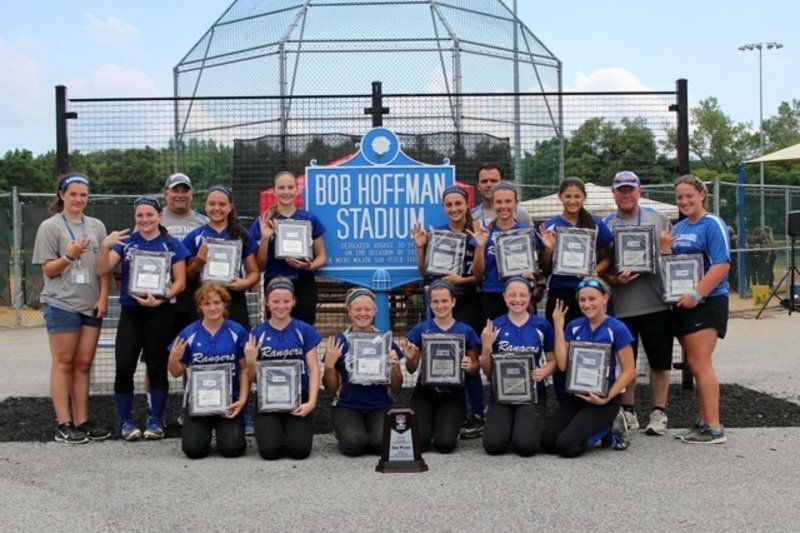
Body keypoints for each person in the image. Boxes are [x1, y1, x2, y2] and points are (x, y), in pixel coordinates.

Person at [96, 196, 189, 441]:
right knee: (124, 366)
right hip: (131, 312)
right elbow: (102, 269)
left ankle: (156, 419)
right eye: (140, 216)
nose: (145, 220)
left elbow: (181, 281)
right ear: (135, 218)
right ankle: (125, 421)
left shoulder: (172, 244)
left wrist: (164, 297)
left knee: (157, 367)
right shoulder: (126, 243)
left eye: (150, 215)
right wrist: (105, 246)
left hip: (160, 311)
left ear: (159, 216)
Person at [32, 173, 111, 443]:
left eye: (83, 195)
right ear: (62, 195)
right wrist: (69, 256)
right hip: (61, 302)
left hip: (90, 304)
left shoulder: (96, 226)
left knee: (84, 363)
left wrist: (103, 298)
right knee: (64, 362)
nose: (79, 199)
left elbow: (103, 267)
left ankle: (83, 420)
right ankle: (63, 423)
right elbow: (48, 269)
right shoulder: (50, 227)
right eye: (73, 194)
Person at [601, 171, 674, 435]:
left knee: (659, 361)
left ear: (639, 190)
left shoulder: (657, 218)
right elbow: (602, 269)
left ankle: (659, 412)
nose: (626, 194)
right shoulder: (606, 224)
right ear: (614, 193)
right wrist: (615, 279)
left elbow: (674, 258)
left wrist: (664, 252)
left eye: (630, 189)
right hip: (622, 305)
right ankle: (629, 411)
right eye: (621, 189)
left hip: (656, 302)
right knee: (625, 361)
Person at [413, 185, 487, 439]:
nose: (454, 209)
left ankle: (477, 413)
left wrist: (461, 279)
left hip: (467, 301)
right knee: (439, 351)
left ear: (467, 204)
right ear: (444, 208)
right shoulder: (438, 234)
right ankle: (444, 408)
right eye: (449, 205)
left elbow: (480, 276)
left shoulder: (476, 232)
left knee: (469, 358)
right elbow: (426, 272)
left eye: (458, 204)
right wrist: (420, 247)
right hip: (441, 302)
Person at [660, 175, 730, 444]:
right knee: (693, 363)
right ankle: (702, 422)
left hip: (707, 302)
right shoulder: (678, 227)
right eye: (679, 197)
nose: (685, 201)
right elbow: (673, 269)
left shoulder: (712, 224)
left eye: (690, 195)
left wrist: (697, 293)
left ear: (702, 194)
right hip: (683, 303)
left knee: (701, 363)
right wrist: (665, 250)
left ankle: (714, 426)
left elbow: (722, 264)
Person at [538, 177, 613, 403]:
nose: (572, 200)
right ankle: (564, 401)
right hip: (560, 294)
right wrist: (548, 249)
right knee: (561, 347)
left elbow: (608, 259)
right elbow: (544, 268)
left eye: (577, 196)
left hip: (588, 295)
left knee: (590, 346)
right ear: (560, 197)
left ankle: (591, 396)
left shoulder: (597, 224)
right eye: (568, 196)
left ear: (584, 198)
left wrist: (594, 272)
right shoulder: (550, 225)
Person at [541, 279, 636, 458]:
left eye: (592, 299)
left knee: (567, 447)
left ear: (605, 299)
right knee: (547, 443)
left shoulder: (617, 329)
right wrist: (559, 327)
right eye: (583, 300)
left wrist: (606, 398)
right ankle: (597, 425)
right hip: (580, 394)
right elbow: (562, 365)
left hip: (605, 397)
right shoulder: (574, 326)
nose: (587, 304)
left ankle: (610, 426)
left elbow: (629, 371)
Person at [146, 173, 208, 427]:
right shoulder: (156, 220)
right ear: (166, 193)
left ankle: (189, 407)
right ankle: (155, 415)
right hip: (160, 299)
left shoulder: (202, 221)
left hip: (193, 299)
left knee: (191, 355)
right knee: (156, 357)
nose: (180, 195)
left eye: (185, 190)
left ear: (191, 194)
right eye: (175, 190)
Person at [167, 283, 249, 458]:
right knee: (194, 451)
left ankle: (225, 432)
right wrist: (173, 359)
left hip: (229, 401)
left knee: (232, 450)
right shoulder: (188, 334)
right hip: (199, 401)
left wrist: (242, 400)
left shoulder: (237, 331)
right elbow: (176, 372)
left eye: (217, 302)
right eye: (207, 303)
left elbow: (244, 369)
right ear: (199, 307)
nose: (212, 308)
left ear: (225, 304)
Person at [245, 277, 322, 459]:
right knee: (269, 452)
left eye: (286, 301)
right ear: (266, 303)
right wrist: (250, 362)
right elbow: (254, 378)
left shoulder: (304, 330)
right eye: (276, 301)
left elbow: (314, 369)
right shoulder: (257, 333)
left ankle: (292, 431)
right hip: (267, 400)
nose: (281, 306)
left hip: (297, 399)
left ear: (294, 301)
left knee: (300, 451)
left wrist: (311, 403)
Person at [479, 277, 556, 456]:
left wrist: (543, 372)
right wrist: (486, 346)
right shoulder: (494, 325)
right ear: (504, 297)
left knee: (527, 447)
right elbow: (487, 370)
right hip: (502, 393)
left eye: (522, 295)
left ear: (530, 297)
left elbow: (554, 361)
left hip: (533, 392)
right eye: (512, 295)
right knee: (493, 446)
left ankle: (523, 427)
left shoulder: (541, 325)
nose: (517, 300)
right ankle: (508, 425)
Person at [322, 288, 404, 456]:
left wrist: (395, 366)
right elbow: (330, 388)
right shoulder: (339, 342)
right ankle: (345, 430)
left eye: (367, 309)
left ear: (375, 311)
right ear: (349, 311)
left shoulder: (384, 341)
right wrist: (329, 366)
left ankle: (369, 432)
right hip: (348, 405)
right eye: (358, 309)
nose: (363, 314)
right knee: (355, 445)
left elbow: (396, 388)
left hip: (380, 405)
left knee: (381, 445)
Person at [403, 280, 481, 453]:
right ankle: (428, 425)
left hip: (453, 393)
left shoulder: (465, 331)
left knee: (445, 445)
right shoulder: (420, 330)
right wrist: (410, 358)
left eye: (444, 301)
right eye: (435, 301)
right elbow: (411, 368)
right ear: (429, 303)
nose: (440, 305)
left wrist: (469, 365)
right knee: (420, 443)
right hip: (425, 391)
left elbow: (475, 367)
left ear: (453, 302)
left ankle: (452, 424)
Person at [249, 171, 327, 325]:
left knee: (305, 331)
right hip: (274, 283)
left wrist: (309, 266)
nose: (286, 192)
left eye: (290, 187)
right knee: (277, 330)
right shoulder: (264, 221)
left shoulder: (309, 219)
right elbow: (260, 266)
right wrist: (265, 238)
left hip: (303, 283)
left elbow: (322, 257)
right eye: (281, 188)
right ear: (274, 191)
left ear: (297, 190)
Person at [479, 182, 539, 319]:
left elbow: (538, 266)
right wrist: (479, 246)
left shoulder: (526, 232)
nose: (503, 206)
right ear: (492, 204)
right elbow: (478, 273)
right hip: (493, 294)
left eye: (508, 201)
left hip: (520, 297)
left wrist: (532, 271)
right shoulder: (485, 232)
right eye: (498, 202)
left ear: (516, 203)